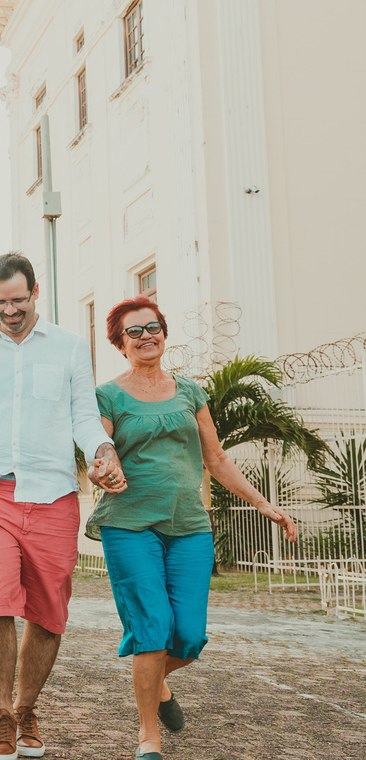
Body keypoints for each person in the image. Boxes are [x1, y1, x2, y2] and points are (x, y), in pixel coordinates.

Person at [0, 252, 125, 760]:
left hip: (54, 494)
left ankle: (27, 707)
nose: (9, 311)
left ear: (36, 292)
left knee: (49, 612)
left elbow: (84, 416)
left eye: (18, 300)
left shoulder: (69, 347)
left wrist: (103, 452)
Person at [84, 297, 298, 760]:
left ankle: (156, 681)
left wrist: (264, 505)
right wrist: (99, 471)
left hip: (189, 527)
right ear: (120, 344)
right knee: (153, 628)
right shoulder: (108, 395)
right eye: (134, 331)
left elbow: (216, 458)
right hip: (130, 525)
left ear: (164, 332)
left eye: (153, 327)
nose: (146, 336)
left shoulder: (190, 392)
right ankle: (147, 736)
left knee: (189, 636)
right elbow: (97, 453)